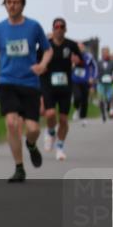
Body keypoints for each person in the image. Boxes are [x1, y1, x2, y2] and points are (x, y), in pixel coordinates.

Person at [0, 0, 52, 183]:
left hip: (29, 83)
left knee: (33, 129)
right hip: (7, 82)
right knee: (11, 123)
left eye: (16, 2)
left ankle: (31, 145)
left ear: (22, 4)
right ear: (5, 5)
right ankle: (19, 167)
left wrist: (43, 65)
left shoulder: (34, 27)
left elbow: (47, 50)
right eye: (9, 2)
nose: (12, 5)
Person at [39, 18, 83, 161]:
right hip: (48, 85)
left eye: (61, 26)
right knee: (50, 113)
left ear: (65, 29)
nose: (59, 29)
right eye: (56, 26)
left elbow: (81, 61)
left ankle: (60, 147)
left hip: (65, 86)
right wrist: (41, 67)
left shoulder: (71, 45)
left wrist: (78, 61)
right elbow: (36, 61)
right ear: (53, 29)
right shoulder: (46, 45)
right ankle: (51, 131)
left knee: (63, 119)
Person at [71, 44, 97, 126]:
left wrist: (92, 77)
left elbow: (94, 67)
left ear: (83, 48)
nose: (79, 49)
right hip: (75, 80)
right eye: (78, 47)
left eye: (81, 47)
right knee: (77, 96)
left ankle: (83, 117)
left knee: (84, 99)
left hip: (85, 81)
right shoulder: (73, 55)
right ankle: (76, 109)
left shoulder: (88, 56)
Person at [94, 46, 113, 122]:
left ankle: (108, 109)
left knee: (109, 99)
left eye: (106, 53)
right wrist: (96, 79)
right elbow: (95, 72)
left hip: (109, 84)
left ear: (108, 53)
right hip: (100, 83)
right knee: (101, 99)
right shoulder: (98, 62)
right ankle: (103, 114)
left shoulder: (112, 62)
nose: (105, 54)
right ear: (101, 53)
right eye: (103, 53)